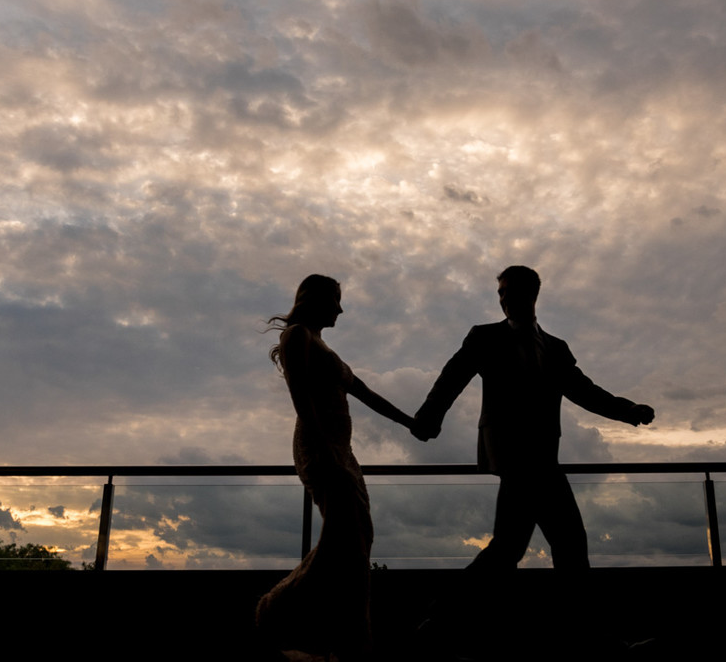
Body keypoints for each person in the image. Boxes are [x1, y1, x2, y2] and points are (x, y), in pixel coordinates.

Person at [412, 266, 655, 569]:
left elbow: (584, 390)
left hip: (541, 456)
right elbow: (451, 379)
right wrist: (429, 417)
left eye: (509, 292)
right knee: (560, 542)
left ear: (532, 294)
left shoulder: (555, 348)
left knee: (515, 546)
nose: (503, 299)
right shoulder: (484, 337)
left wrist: (628, 410)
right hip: (513, 455)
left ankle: (443, 614)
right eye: (500, 293)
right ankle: (443, 615)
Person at [257, 274, 414, 659]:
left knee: (358, 540)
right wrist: (328, 453)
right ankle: (278, 612)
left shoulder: (323, 345)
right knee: (349, 543)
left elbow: (365, 393)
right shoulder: (297, 336)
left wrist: (412, 423)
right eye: (336, 300)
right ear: (316, 299)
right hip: (320, 449)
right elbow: (300, 399)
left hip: (342, 451)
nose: (341, 309)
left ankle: (338, 637)